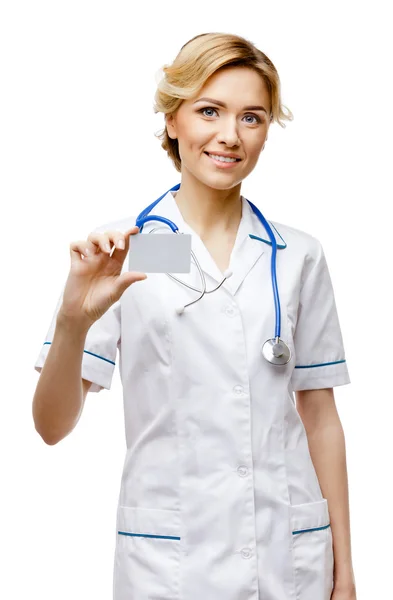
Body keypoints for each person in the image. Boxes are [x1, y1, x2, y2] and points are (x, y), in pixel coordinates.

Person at [32, 32, 357, 600]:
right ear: (173, 120)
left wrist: (345, 572)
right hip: (169, 566)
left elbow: (321, 416)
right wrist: (71, 323)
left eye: (252, 117)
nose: (230, 136)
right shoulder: (126, 252)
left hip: (289, 557)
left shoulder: (297, 255)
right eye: (210, 111)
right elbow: (51, 427)